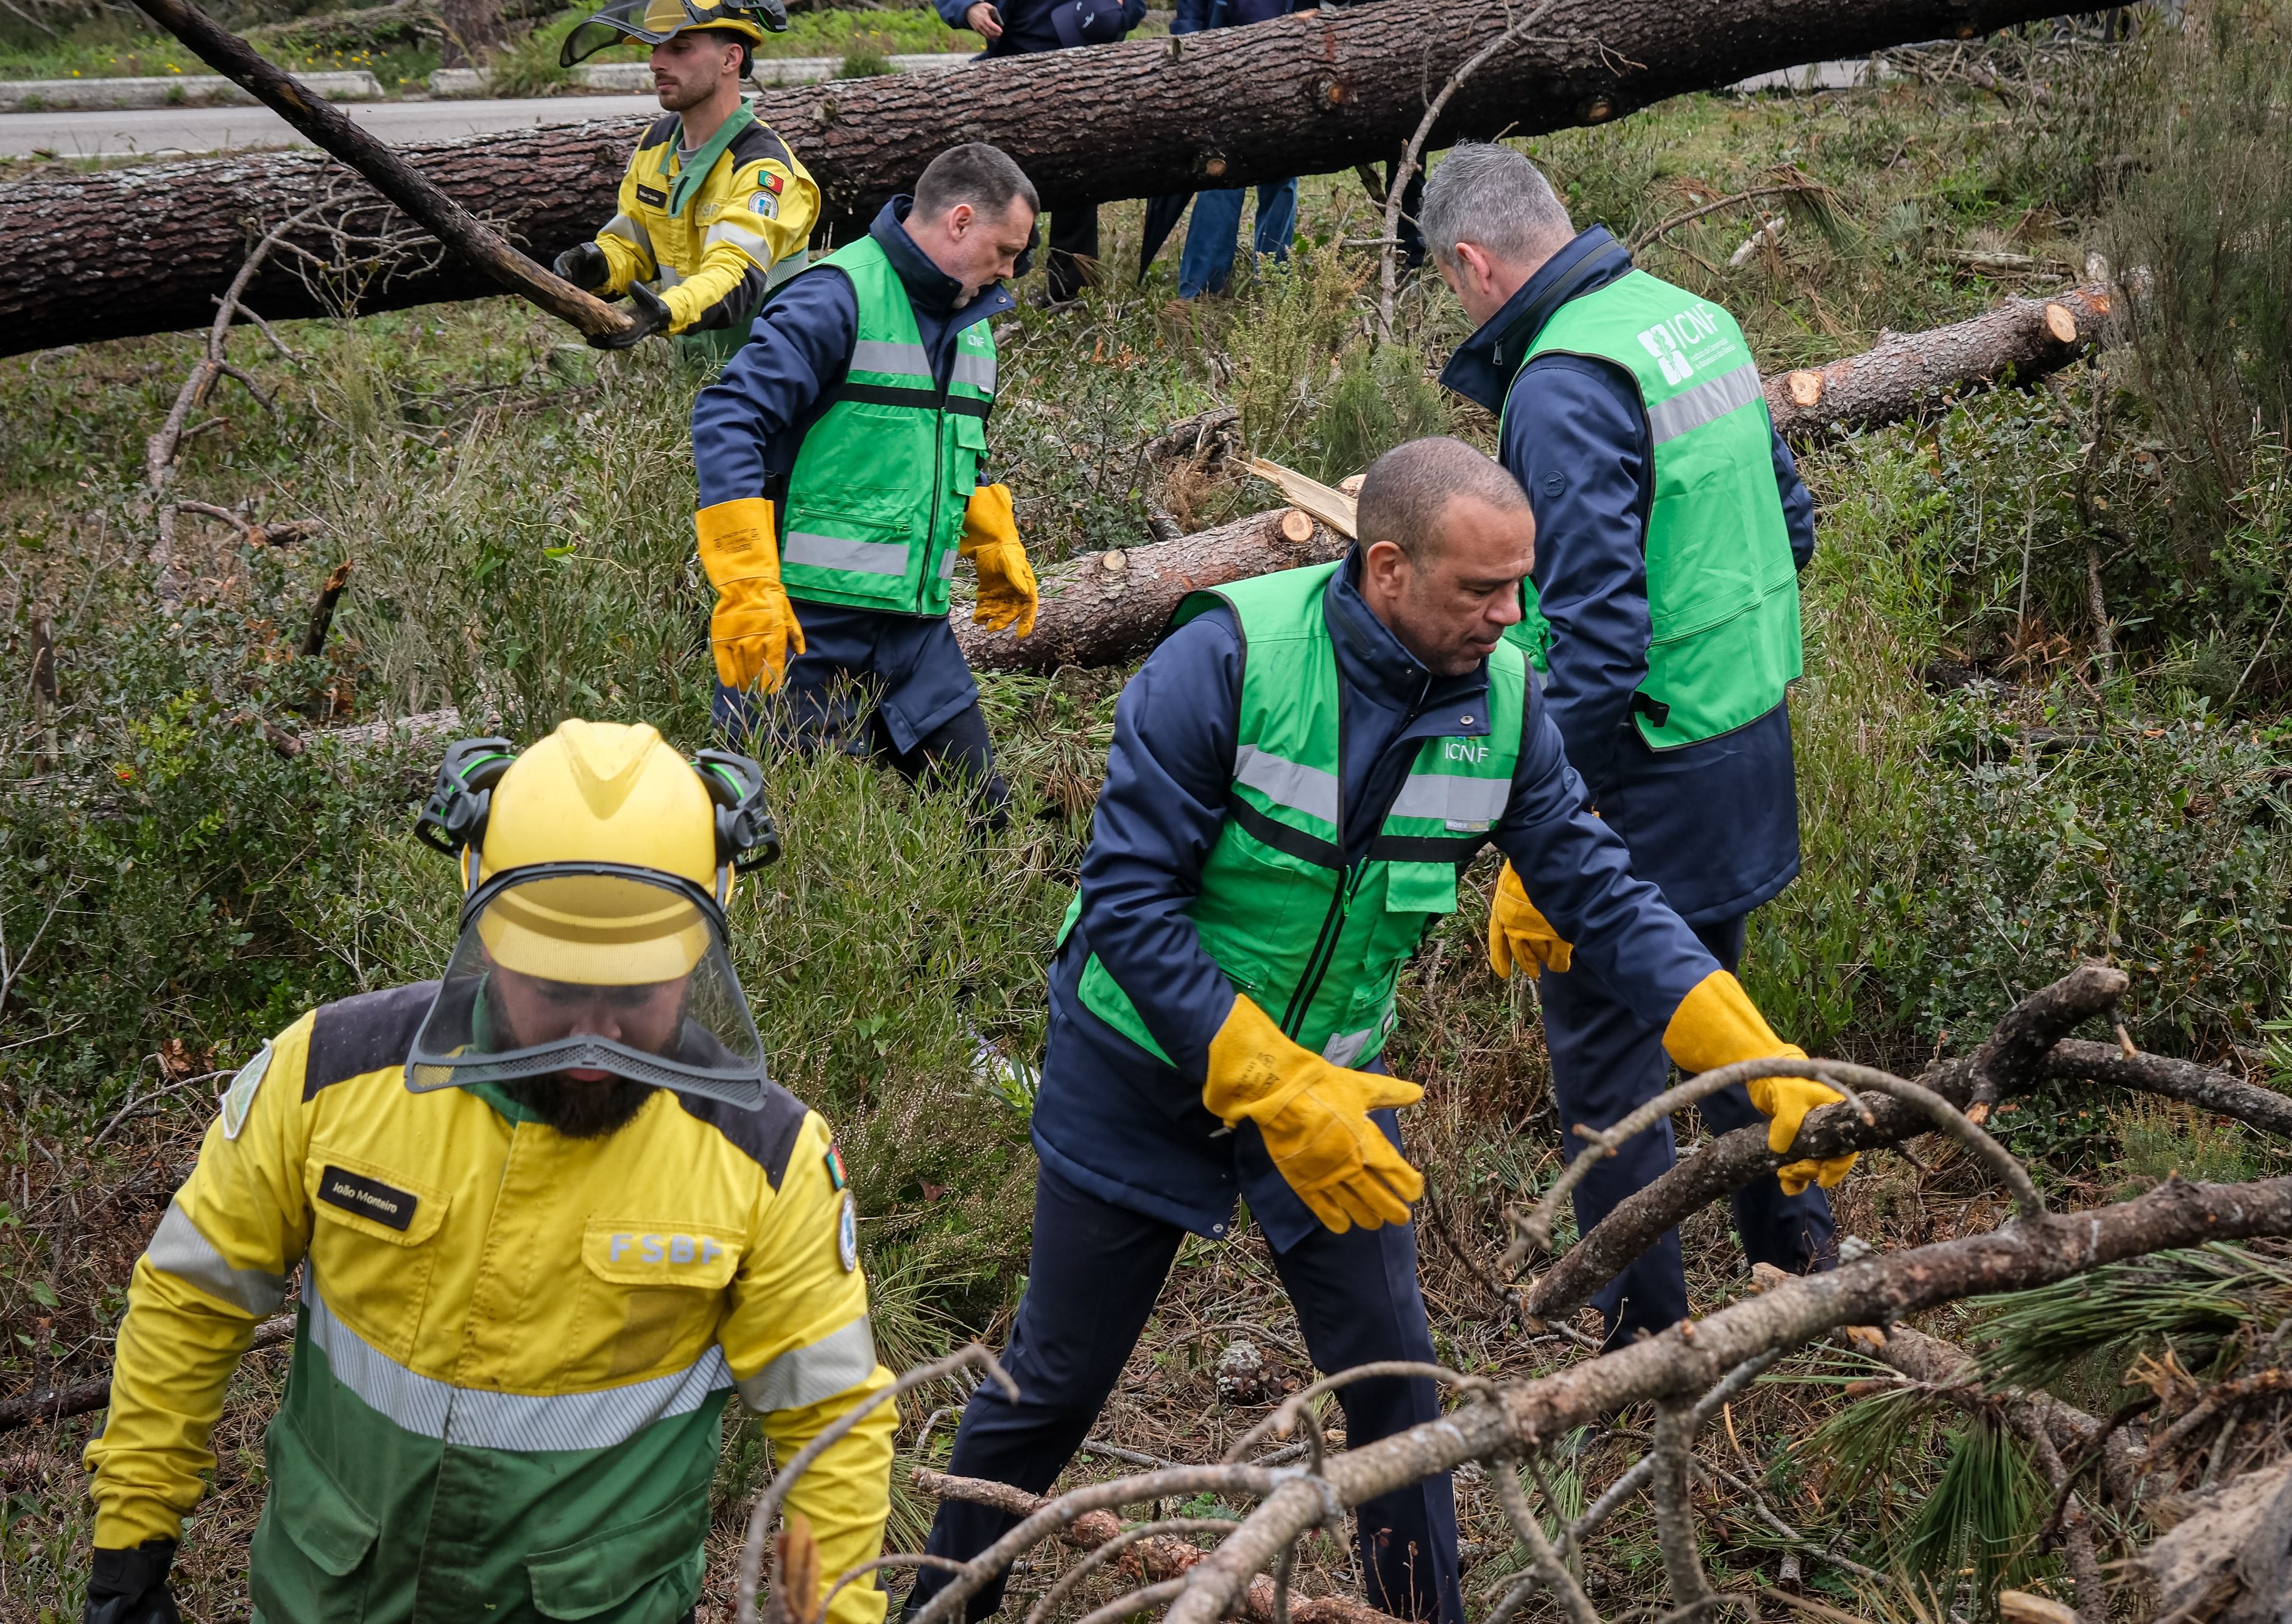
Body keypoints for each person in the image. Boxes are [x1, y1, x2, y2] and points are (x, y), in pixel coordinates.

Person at [909, 437, 1846, 1624]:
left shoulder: (1505, 700)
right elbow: (1130, 909)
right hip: (1142, 1066)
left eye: (1521, 586)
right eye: (1478, 589)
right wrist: (1267, 1085)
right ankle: (937, 1604)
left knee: (1397, 1394)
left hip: (1338, 1093)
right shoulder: (1226, 659)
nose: (1508, 617)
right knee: (1052, 1384)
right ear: (1388, 567)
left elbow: (1601, 897)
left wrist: (1752, 1057)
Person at [79, 719, 894, 1624]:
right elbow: (192, 1299)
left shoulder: (767, 1160)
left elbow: (835, 1427)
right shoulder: (331, 1072)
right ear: (486, 925)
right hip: (330, 1595)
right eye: (554, 985)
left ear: (706, 934)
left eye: (634, 990)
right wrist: (131, 1544)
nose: (598, 1033)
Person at [1422, 142, 1847, 1352]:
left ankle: (1643, 1341)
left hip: (1642, 771)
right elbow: (1792, 522)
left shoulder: (1560, 386)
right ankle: (1802, 1257)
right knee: (1717, 1017)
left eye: (1453, 289)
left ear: (1471, 262)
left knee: (1610, 1078)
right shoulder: (1688, 319)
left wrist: (1548, 828)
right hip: (1741, 740)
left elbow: (1598, 644)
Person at [690, 143, 1043, 823]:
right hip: (803, 630)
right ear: (960, 222)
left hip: (914, 635)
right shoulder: (837, 295)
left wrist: (991, 537)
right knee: (775, 838)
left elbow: (945, 448)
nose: (1010, 270)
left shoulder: (973, 328)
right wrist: (746, 583)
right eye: (1006, 250)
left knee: (982, 821)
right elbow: (729, 419)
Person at [552, 0, 821, 360]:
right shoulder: (656, 145)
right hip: (694, 374)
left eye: (679, 48)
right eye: (655, 49)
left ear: (731, 59)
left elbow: (734, 274)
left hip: (770, 377)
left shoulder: (763, 169)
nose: (656, 63)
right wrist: (600, 264)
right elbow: (636, 245)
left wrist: (663, 311)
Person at [934, 0, 1145, 301]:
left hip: (1083, 73)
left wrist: (1117, 11)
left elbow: (1134, 10)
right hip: (1008, 72)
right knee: (993, 182)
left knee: (1078, 186)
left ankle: (1070, 295)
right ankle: (989, 278)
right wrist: (968, 9)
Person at [1168, 0, 1298, 298]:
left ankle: (1274, 288)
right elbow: (1191, 11)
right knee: (1219, 178)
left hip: (1288, 68)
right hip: (1220, 70)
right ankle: (1200, 293)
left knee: (1280, 181)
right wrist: (1188, 56)